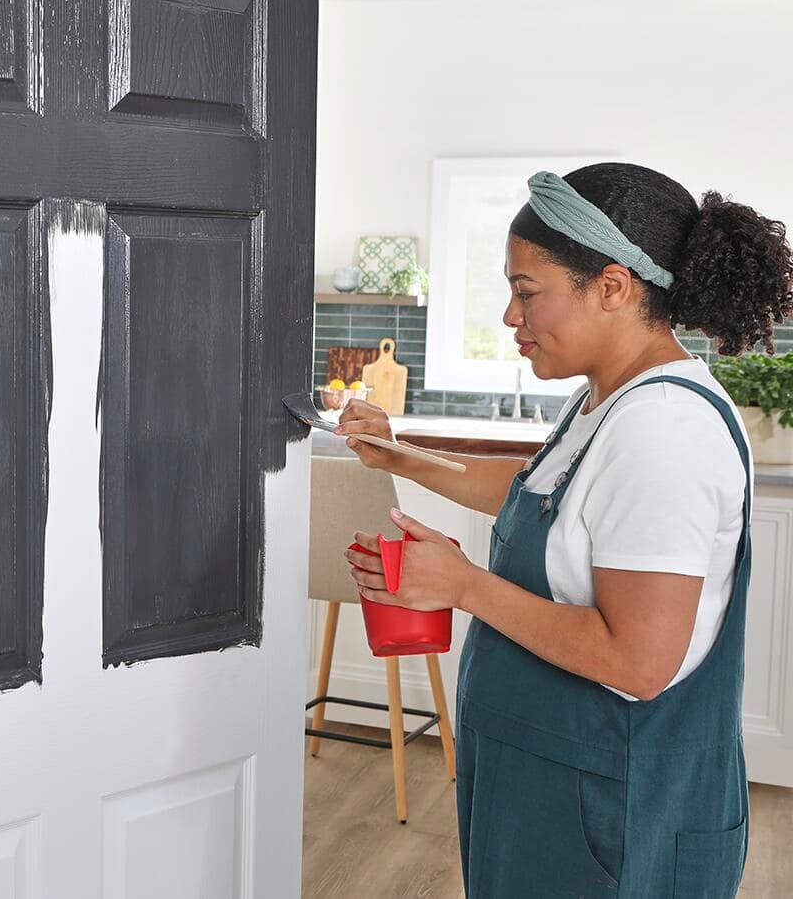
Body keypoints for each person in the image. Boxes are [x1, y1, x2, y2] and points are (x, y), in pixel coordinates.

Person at [338, 162, 793, 897]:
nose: (511, 317)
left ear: (613, 287)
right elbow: (541, 496)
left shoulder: (663, 430)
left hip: (616, 820)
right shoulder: (606, 402)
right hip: (557, 796)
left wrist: (463, 587)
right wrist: (403, 456)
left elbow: (638, 661)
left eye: (526, 292)